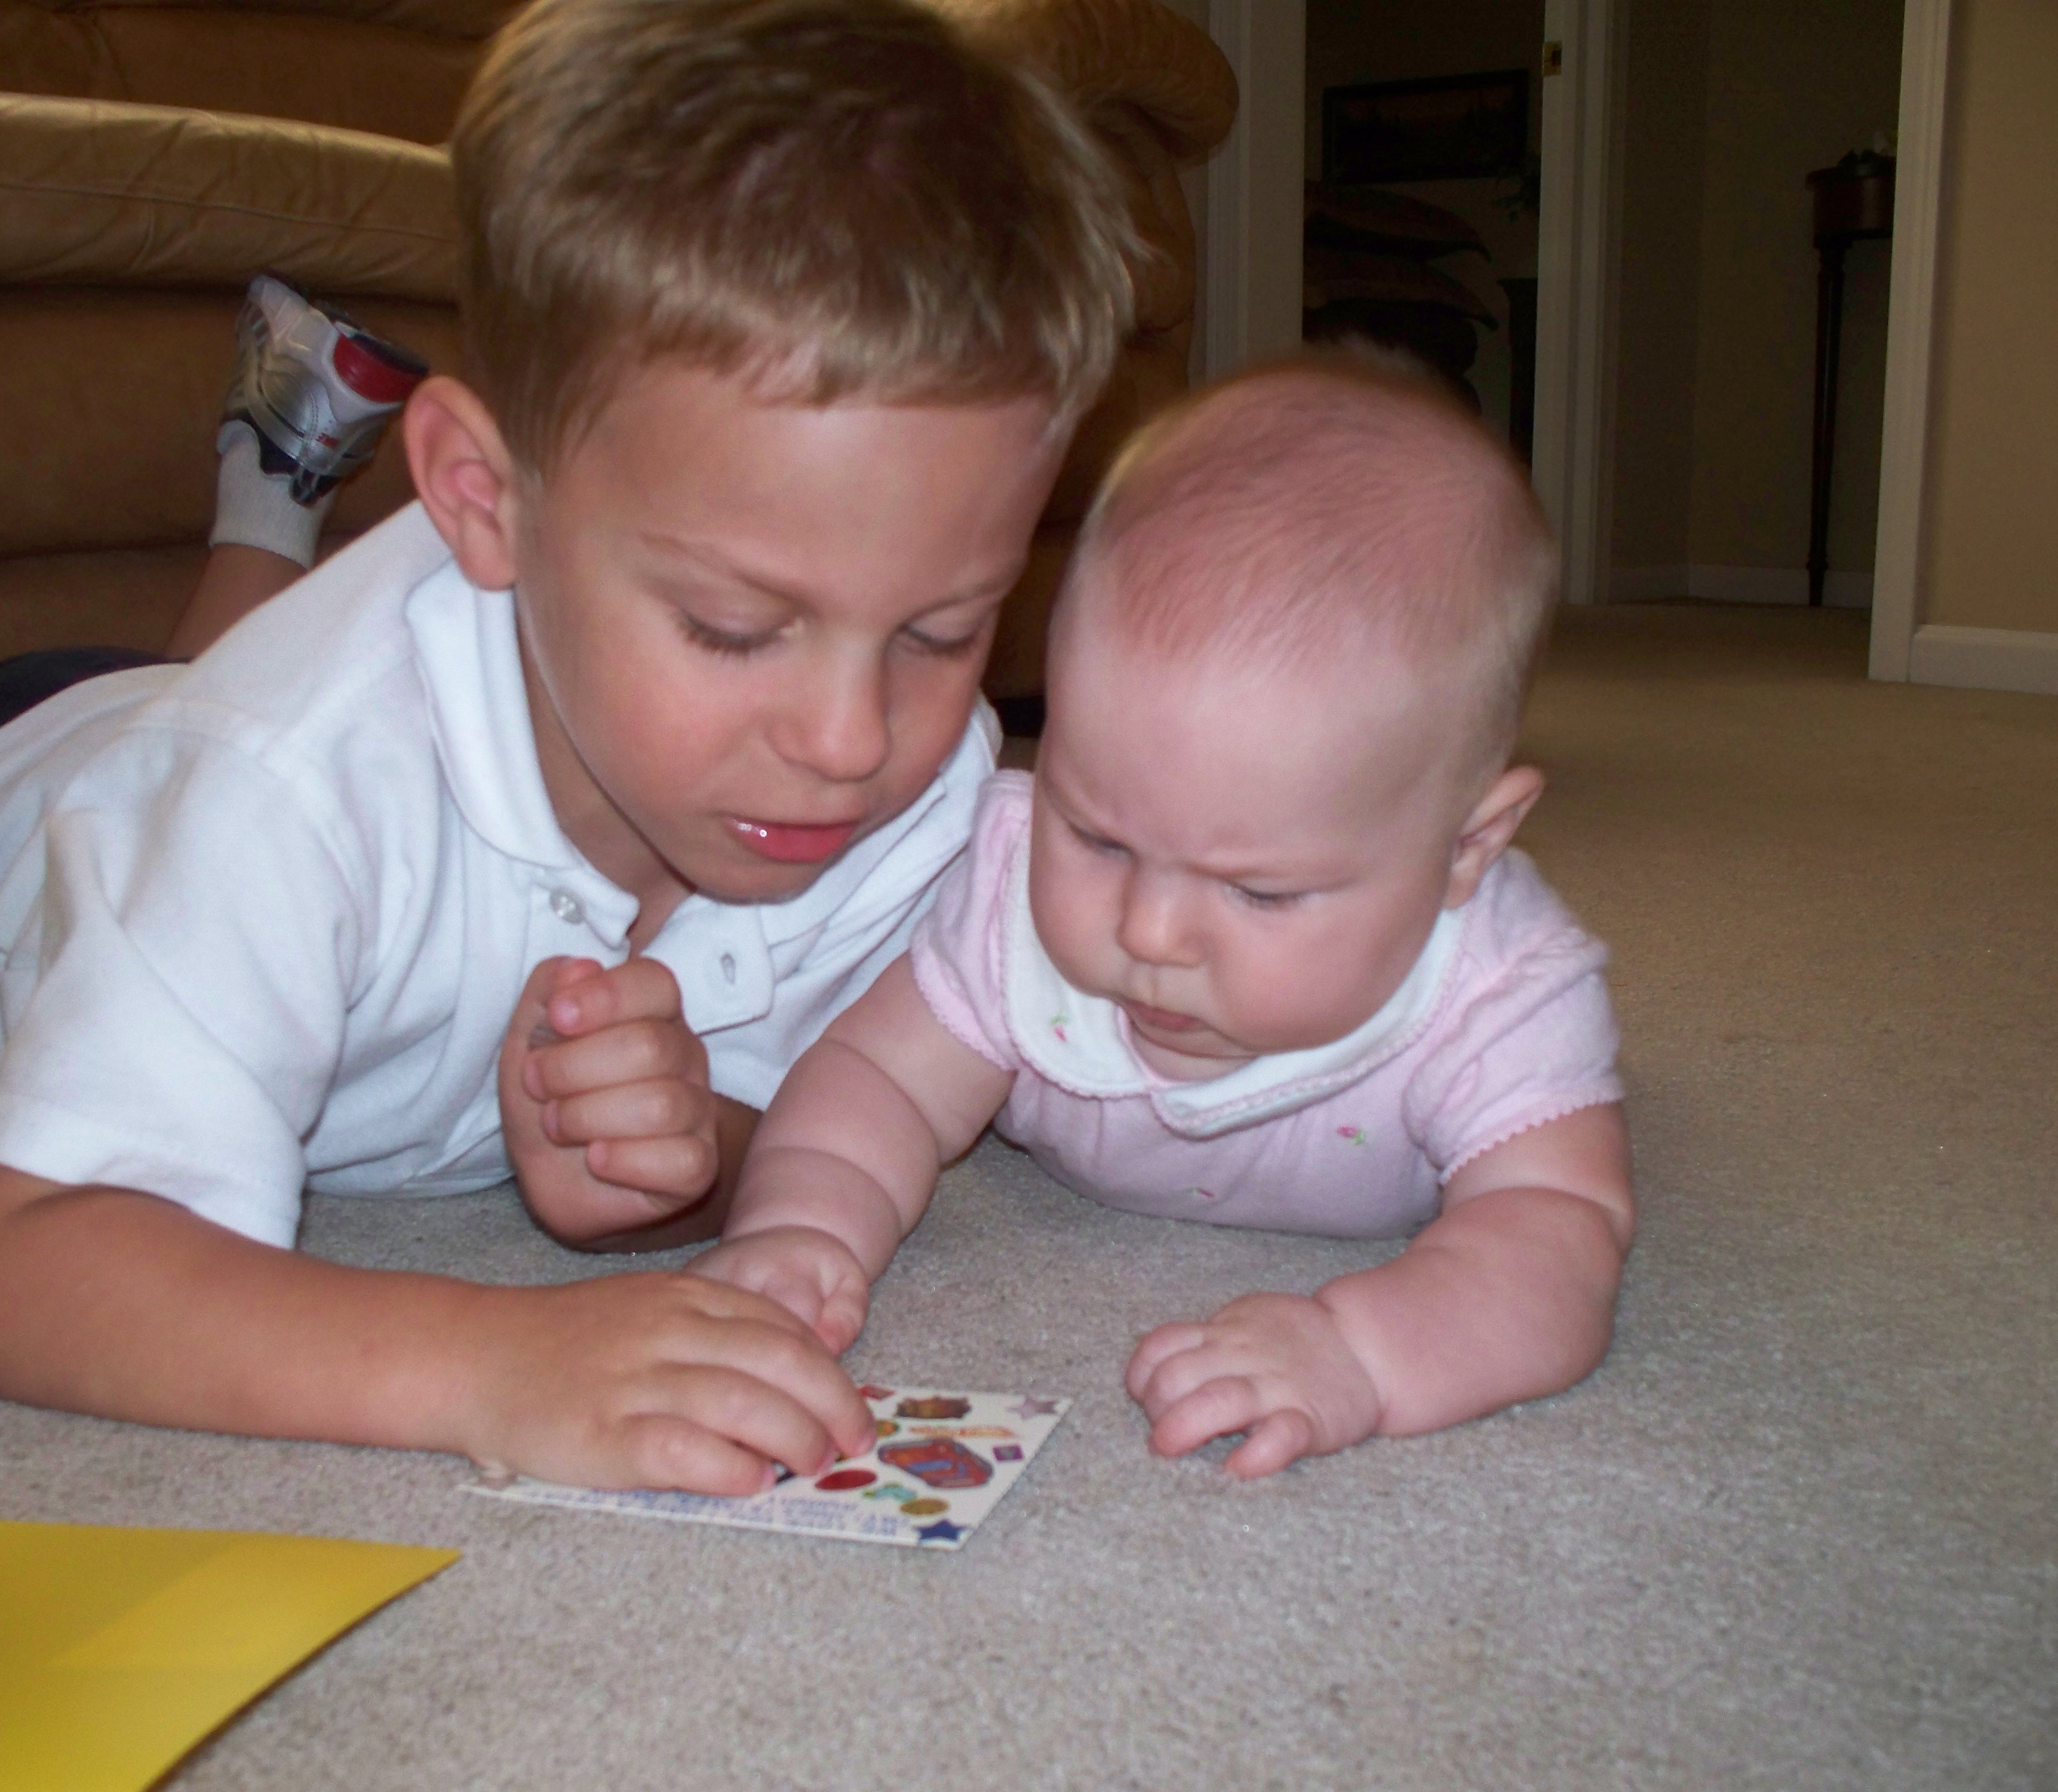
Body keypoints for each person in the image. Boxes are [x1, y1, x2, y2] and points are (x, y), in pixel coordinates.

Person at [0, 0, 1136, 1493]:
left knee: (208, 709)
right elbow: (32, 1271)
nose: (853, 742)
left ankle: (267, 498)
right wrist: (491, 1362)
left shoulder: (923, 789)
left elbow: (799, 1107)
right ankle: (263, 509)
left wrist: (674, 1161)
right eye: (733, 627)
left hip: (214, 732)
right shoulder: (277, 793)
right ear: (483, 500)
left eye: (941, 630)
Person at [693, 355, 1635, 1480]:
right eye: (1097, 836)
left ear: (1465, 850)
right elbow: (879, 1080)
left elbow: (1556, 1234)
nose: (1148, 933)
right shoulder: (1010, 900)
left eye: (1258, 891)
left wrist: (1366, 1352)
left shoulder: (1500, 989)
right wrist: (802, 1226)